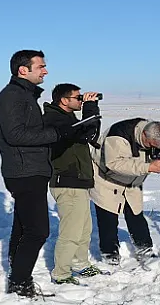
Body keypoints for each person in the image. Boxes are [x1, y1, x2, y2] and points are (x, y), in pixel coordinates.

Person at [0, 50, 85, 298]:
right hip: (25, 172)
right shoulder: (12, 97)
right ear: (24, 70)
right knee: (38, 231)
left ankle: (17, 275)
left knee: (23, 226)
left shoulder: (24, 95)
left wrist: (61, 128)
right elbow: (16, 135)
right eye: (41, 66)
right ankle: (20, 283)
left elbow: (28, 130)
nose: (45, 71)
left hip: (30, 169)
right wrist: (57, 134)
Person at [88, 118, 160, 265]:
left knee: (135, 214)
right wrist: (148, 167)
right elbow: (114, 163)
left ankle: (145, 248)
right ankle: (109, 253)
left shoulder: (158, 134)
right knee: (108, 218)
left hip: (132, 181)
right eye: (151, 146)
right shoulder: (118, 135)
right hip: (106, 179)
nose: (153, 149)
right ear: (144, 136)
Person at [42, 84, 104, 285]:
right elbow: (85, 133)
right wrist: (90, 108)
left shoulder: (68, 119)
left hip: (78, 181)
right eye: (78, 98)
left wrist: (90, 110)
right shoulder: (54, 120)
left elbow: (90, 133)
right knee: (71, 231)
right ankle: (60, 273)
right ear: (63, 100)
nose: (81, 100)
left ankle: (80, 264)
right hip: (66, 181)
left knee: (84, 229)